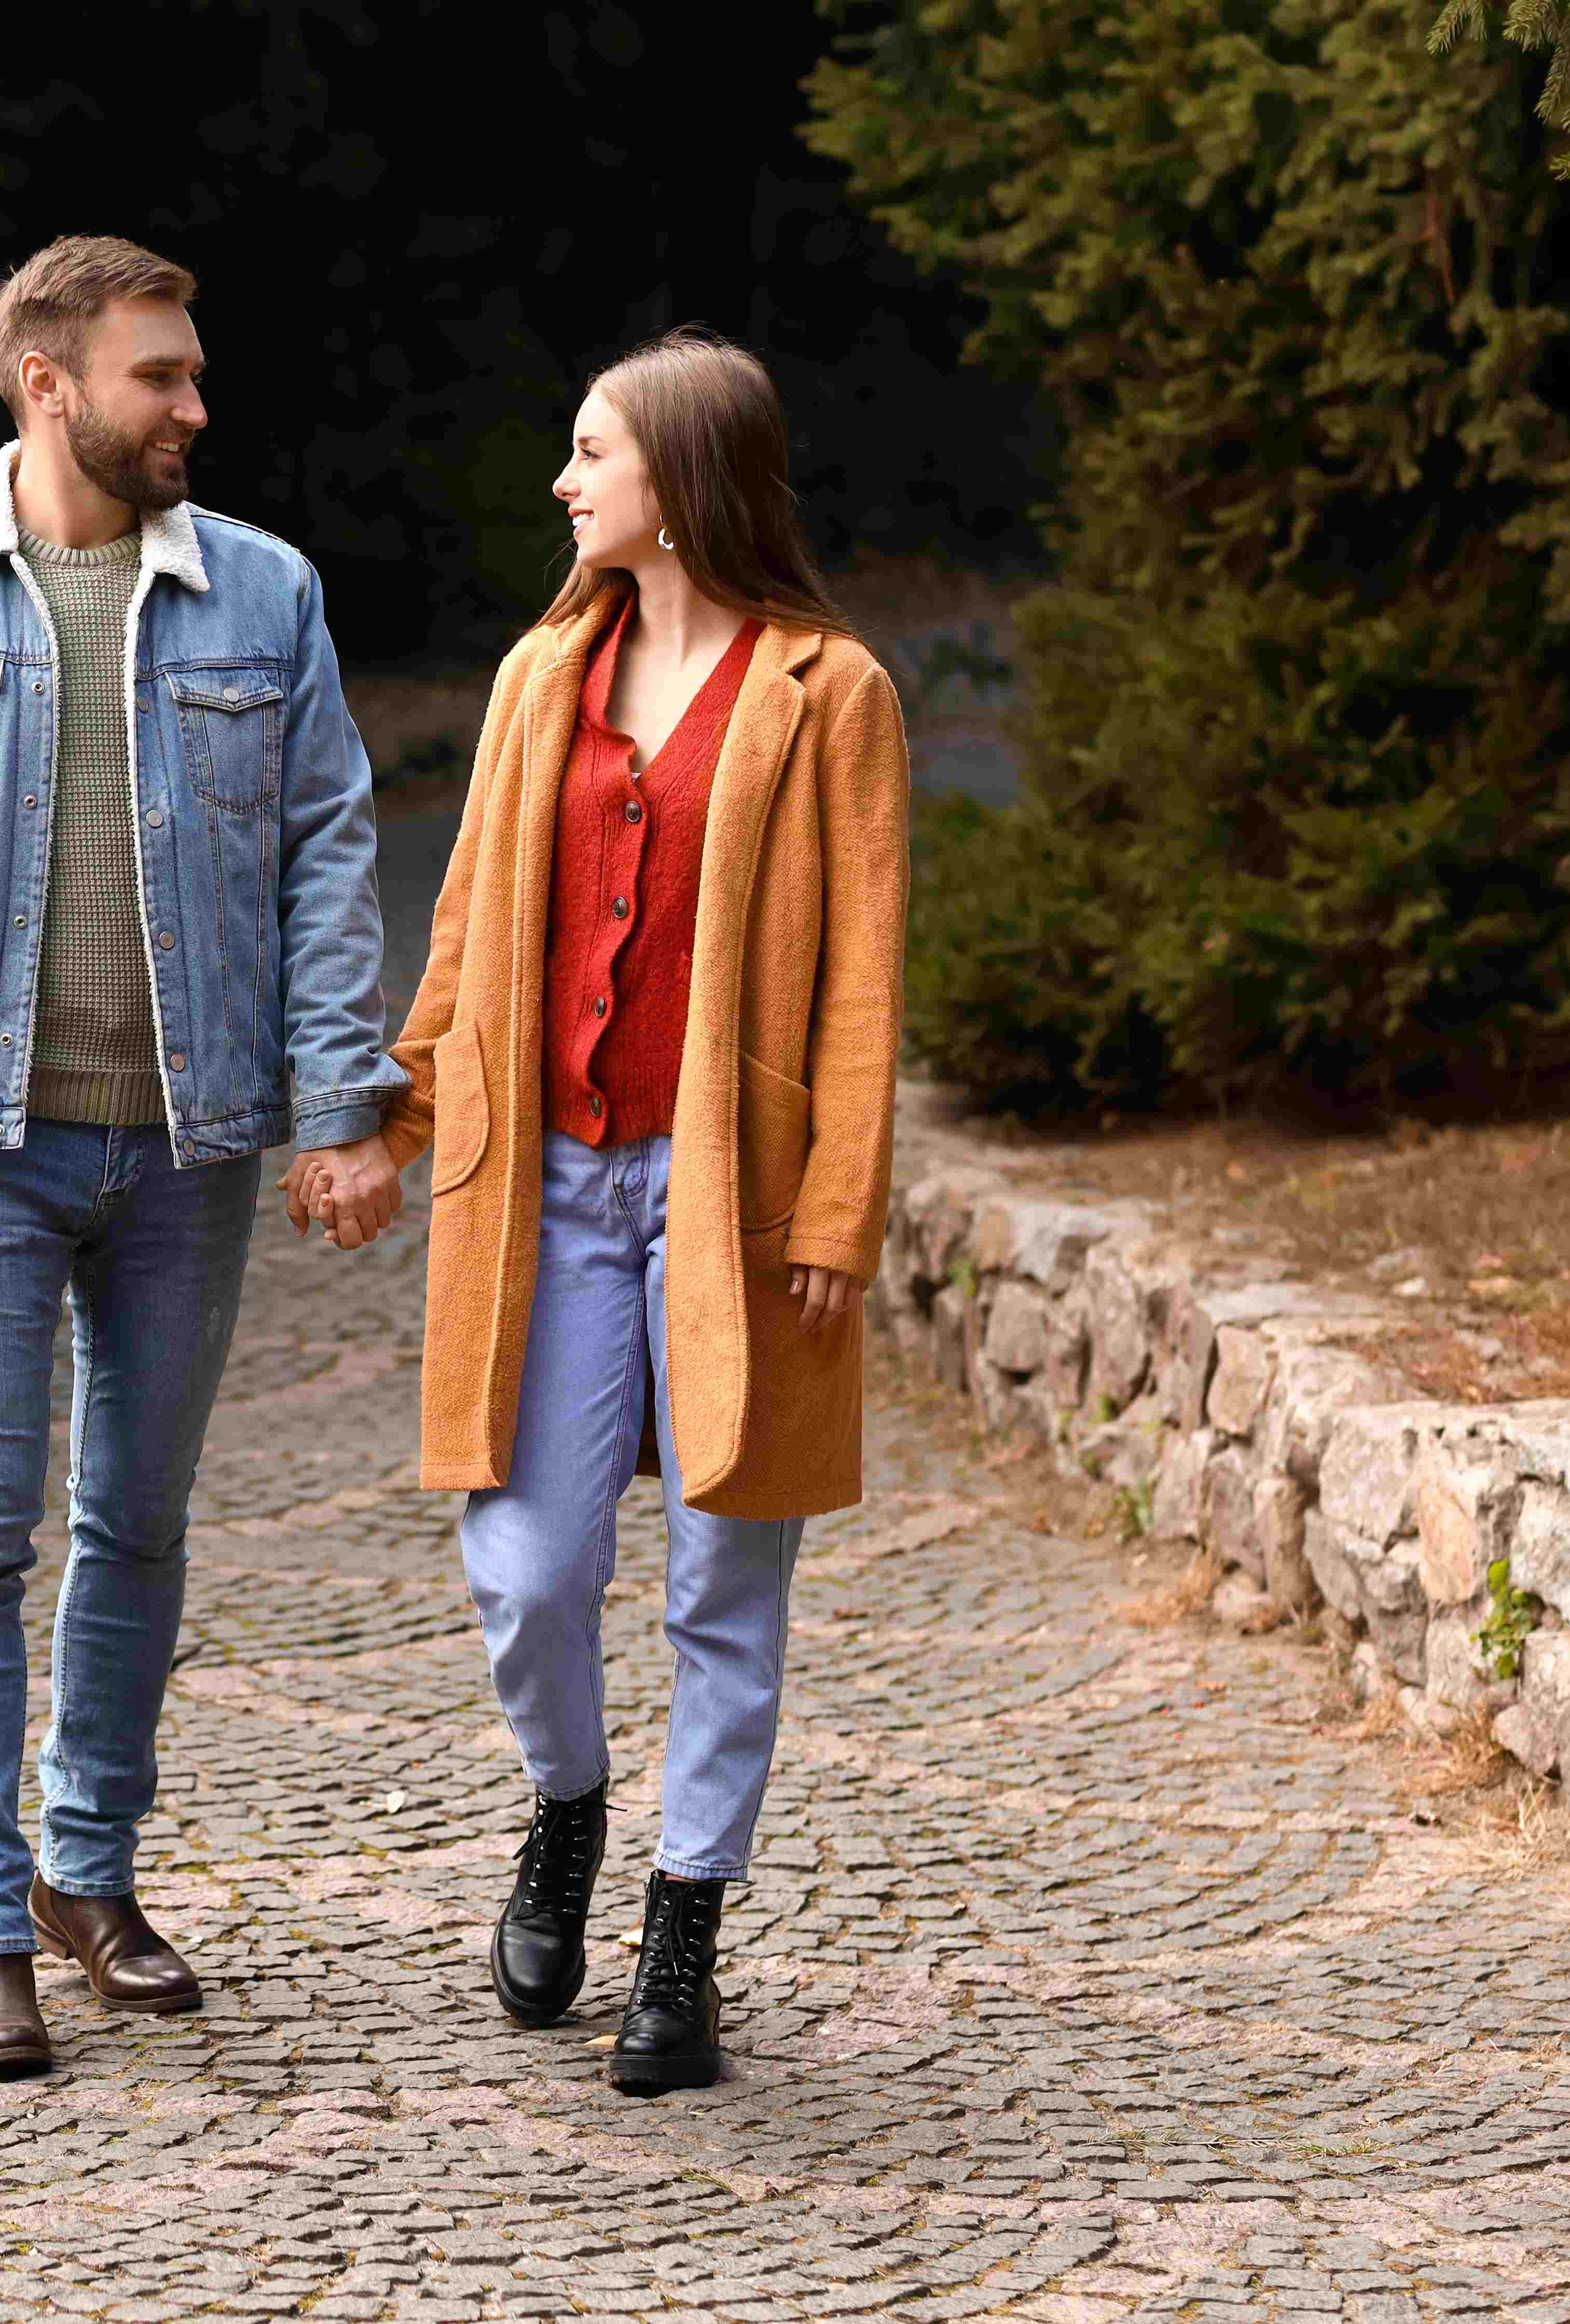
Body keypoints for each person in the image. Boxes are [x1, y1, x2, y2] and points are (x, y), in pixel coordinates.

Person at [0, 234, 407, 2076]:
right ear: (51, 385)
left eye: (194, 374)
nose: (196, 406)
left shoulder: (265, 598)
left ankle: (90, 1872)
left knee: (140, 1523)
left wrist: (338, 1106)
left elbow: (326, 857)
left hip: (187, 1151)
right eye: (162, 378)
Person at [292, 326, 908, 2094]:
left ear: (682, 475)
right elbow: (473, 926)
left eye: (593, 453)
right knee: (532, 1568)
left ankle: (683, 1934)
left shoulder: (828, 691)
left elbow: (864, 975)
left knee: (727, 1578)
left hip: (739, 1194)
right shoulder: (538, 673)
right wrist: (387, 1125)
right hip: (545, 1184)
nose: (567, 484)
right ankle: (566, 1804)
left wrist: (836, 1218)